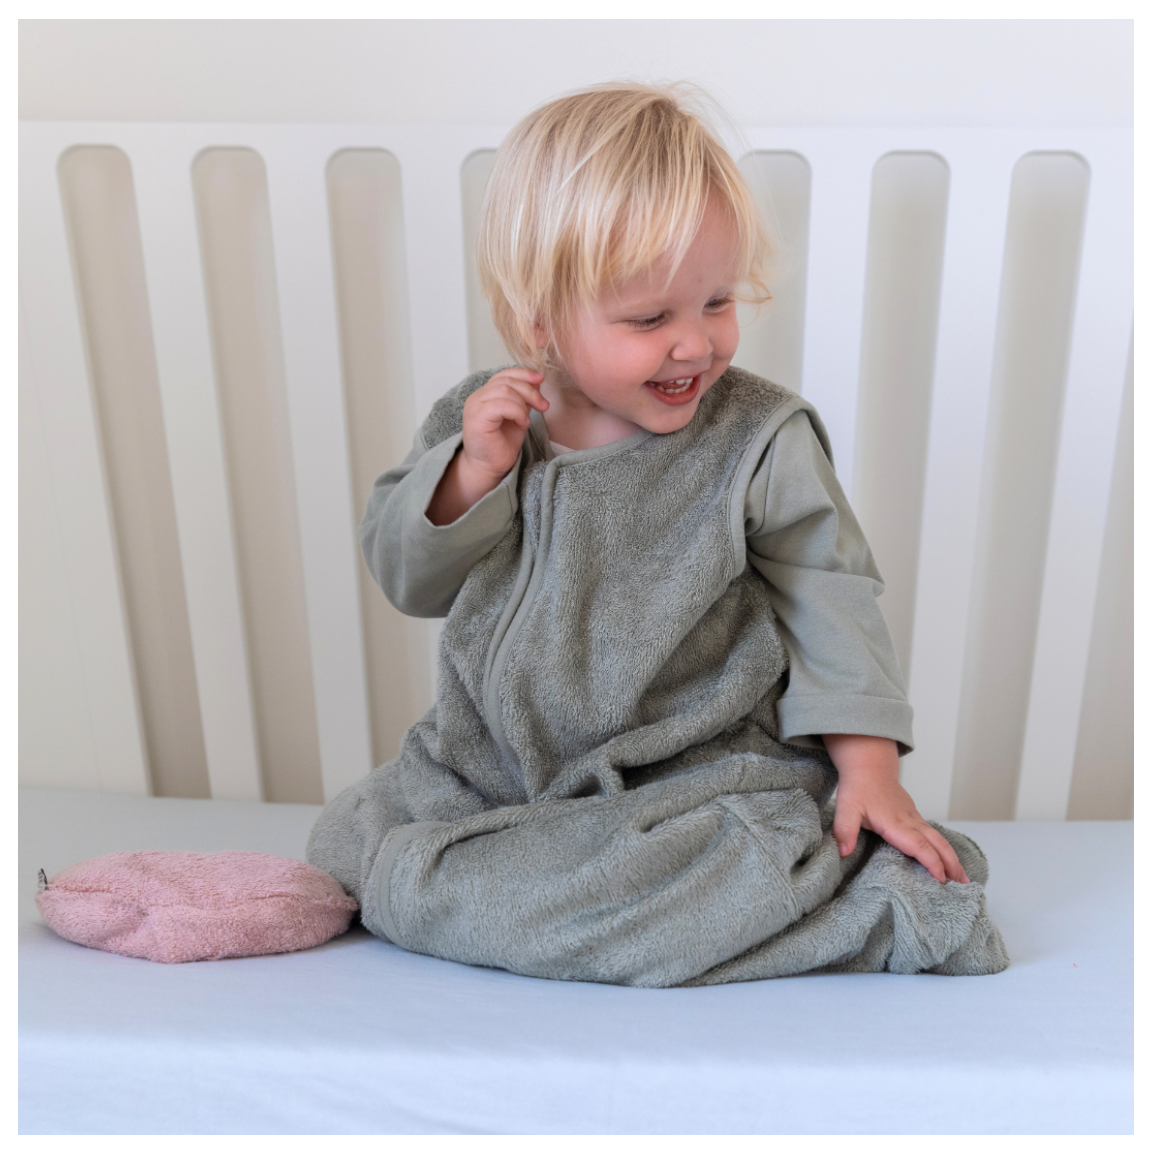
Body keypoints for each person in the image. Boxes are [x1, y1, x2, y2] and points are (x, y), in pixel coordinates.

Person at [307, 82, 1008, 987]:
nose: (696, 345)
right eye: (650, 319)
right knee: (349, 837)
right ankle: (512, 885)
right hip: (489, 775)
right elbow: (410, 580)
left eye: (717, 301)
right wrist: (472, 474)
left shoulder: (758, 438)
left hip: (691, 783)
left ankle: (869, 904)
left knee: (433, 886)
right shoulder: (480, 421)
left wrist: (870, 774)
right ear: (540, 317)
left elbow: (830, 597)